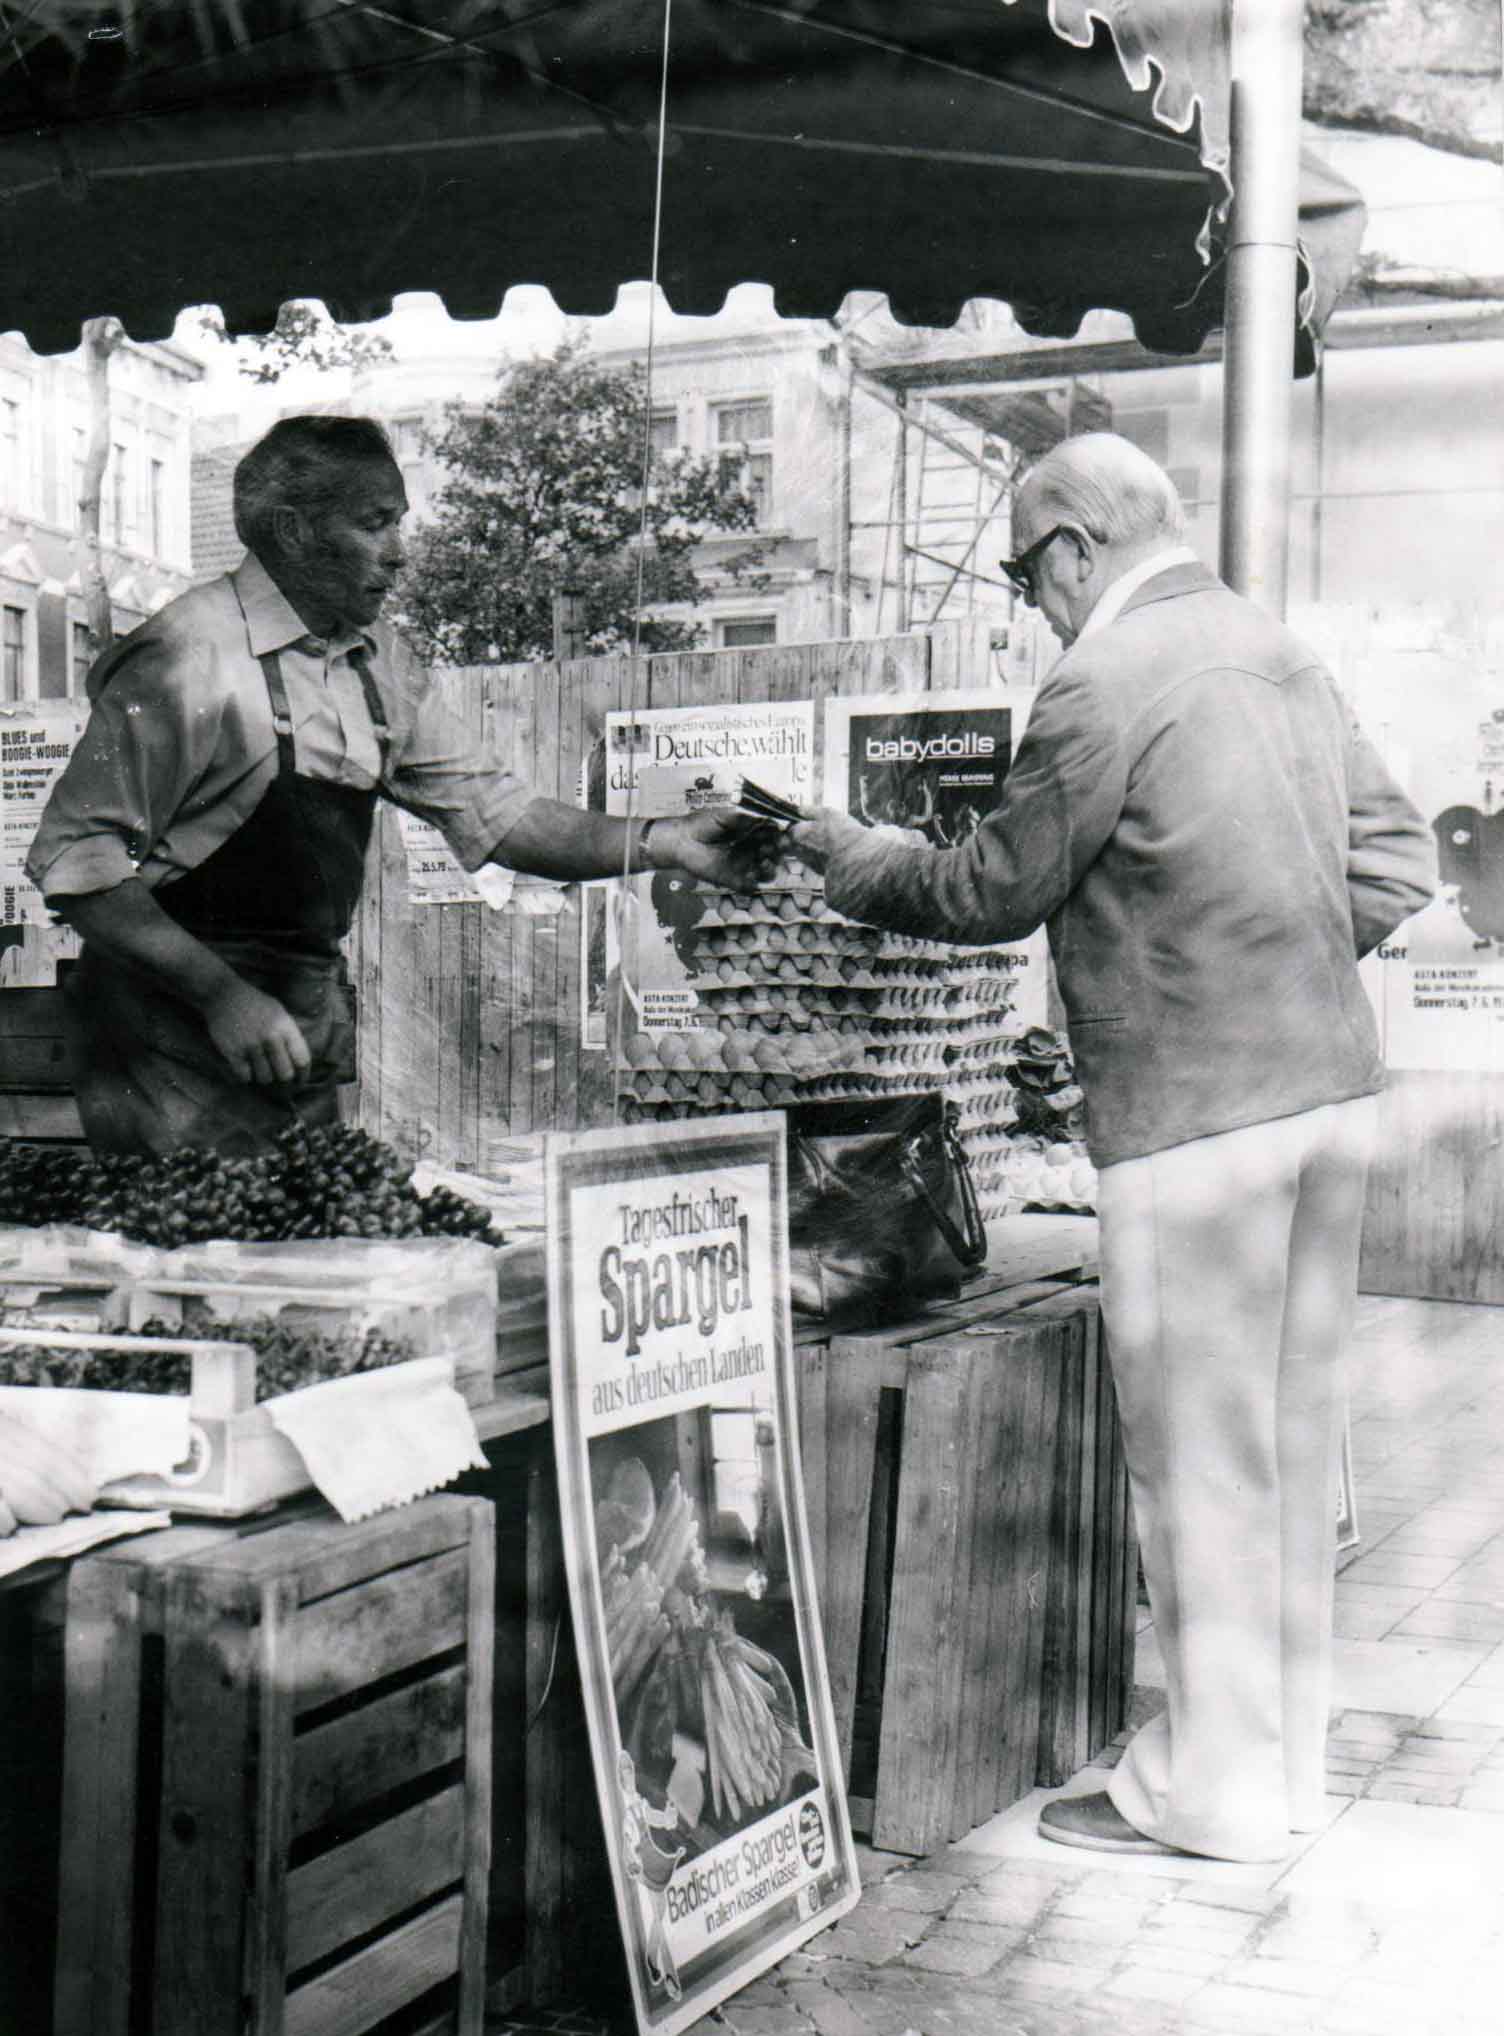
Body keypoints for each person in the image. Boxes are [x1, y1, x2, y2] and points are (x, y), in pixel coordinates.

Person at [789, 432, 1437, 1864]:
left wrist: (845, 851)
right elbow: (1397, 867)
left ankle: (1201, 1798)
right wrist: (1273, 976)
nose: (1033, 601)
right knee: (1277, 1449)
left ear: (1076, 545)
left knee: (1201, 1468)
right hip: (1327, 1103)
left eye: (1028, 572)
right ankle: (1279, 1779)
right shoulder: (1276, 651)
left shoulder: (1102, 678)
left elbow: (989, 886)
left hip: (1193, 1130)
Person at [27, 416, 772, 1157]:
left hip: (296, 1015)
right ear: (292, 530)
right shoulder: (188, 655)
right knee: (201, 1255)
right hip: (167, 1025)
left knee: (305, 1247)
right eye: (375, 524)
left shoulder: (379, 664)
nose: (400, 554)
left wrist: (665, 841)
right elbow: (76, 863)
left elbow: (502, 816)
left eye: (399, 524)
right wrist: (222, 996)